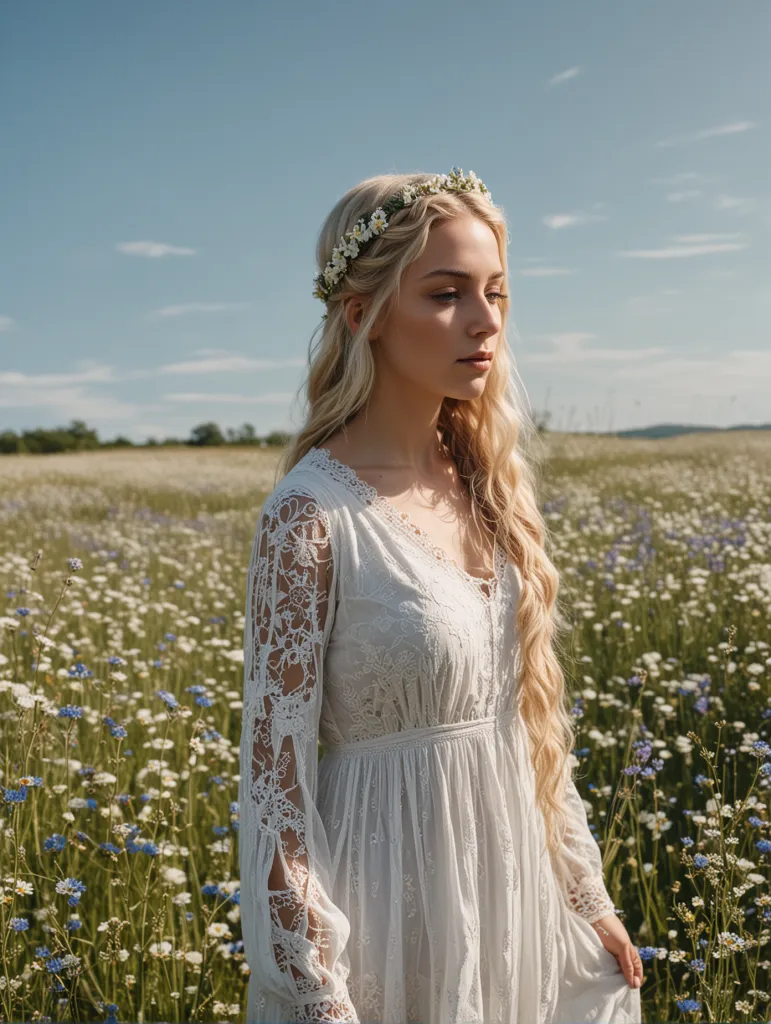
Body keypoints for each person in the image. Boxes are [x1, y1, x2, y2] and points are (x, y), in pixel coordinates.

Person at [238, 168, 644, 1023]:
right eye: (445, 293)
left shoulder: (487, 487)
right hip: (390, 919)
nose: (485, 319)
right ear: (364, 314)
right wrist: (317, 993)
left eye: (495, 291)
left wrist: (586, 896)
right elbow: (275, 800)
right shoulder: (312, 516)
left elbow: (530, 728)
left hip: (514, 907)